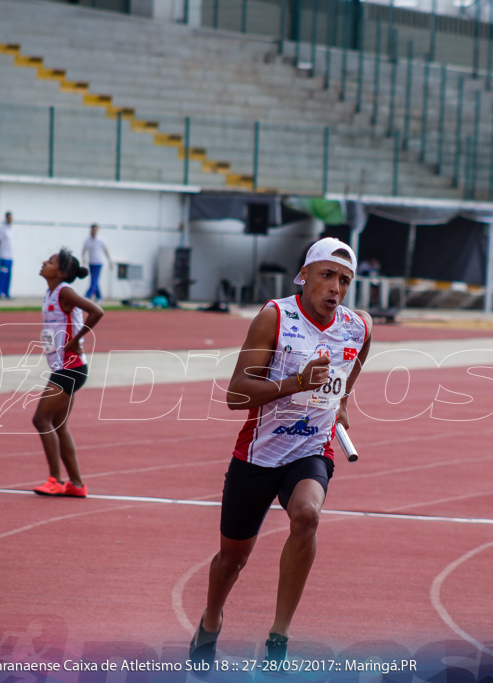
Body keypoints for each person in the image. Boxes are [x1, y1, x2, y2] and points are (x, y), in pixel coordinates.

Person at [190, 237, 373, 667]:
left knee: (307, 516)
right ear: (304, 275)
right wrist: (296, 384)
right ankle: (212, 619)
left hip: (311, 448)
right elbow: (236, 394)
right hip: (257, 454)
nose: (336, 288)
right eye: (327, 275)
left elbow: (356, 357)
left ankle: (279, 637)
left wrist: (343, 399)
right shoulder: (275, 316)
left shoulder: (358, 324)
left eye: (345, 281)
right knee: (232, 560)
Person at [31, 248, 104, 498]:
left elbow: (97, 311)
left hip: (70, 368)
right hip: (64, 366)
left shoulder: (65, 291)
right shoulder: (50, 292)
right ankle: (76, 484)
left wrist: (77, 339)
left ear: (61, 272)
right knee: (59, 426)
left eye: (50, 261)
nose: (44, 262)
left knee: (41, 420)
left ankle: (55, 480)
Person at [81, 224, 112, 301]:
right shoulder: (87, 240)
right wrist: (84, 262)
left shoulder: (101, 239)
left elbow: (106, 250)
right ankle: (99, 296)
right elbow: (84, 251)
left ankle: (87, 295)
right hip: (91, 262)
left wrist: (110, 261)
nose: (94, 231)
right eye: (93, 229)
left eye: (95, 230)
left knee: (94, 280)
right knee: (94, 280)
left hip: (99, 262)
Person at [0, 212, 15, 299]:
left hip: (10, 256)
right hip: (4, 256)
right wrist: (0, 250)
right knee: (3, 274)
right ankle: (0, 292)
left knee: (9, 275)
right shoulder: (3, 229)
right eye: (8, 218)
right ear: (6, 218)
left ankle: (7, 292)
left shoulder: (12, 229)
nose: (10, 219)